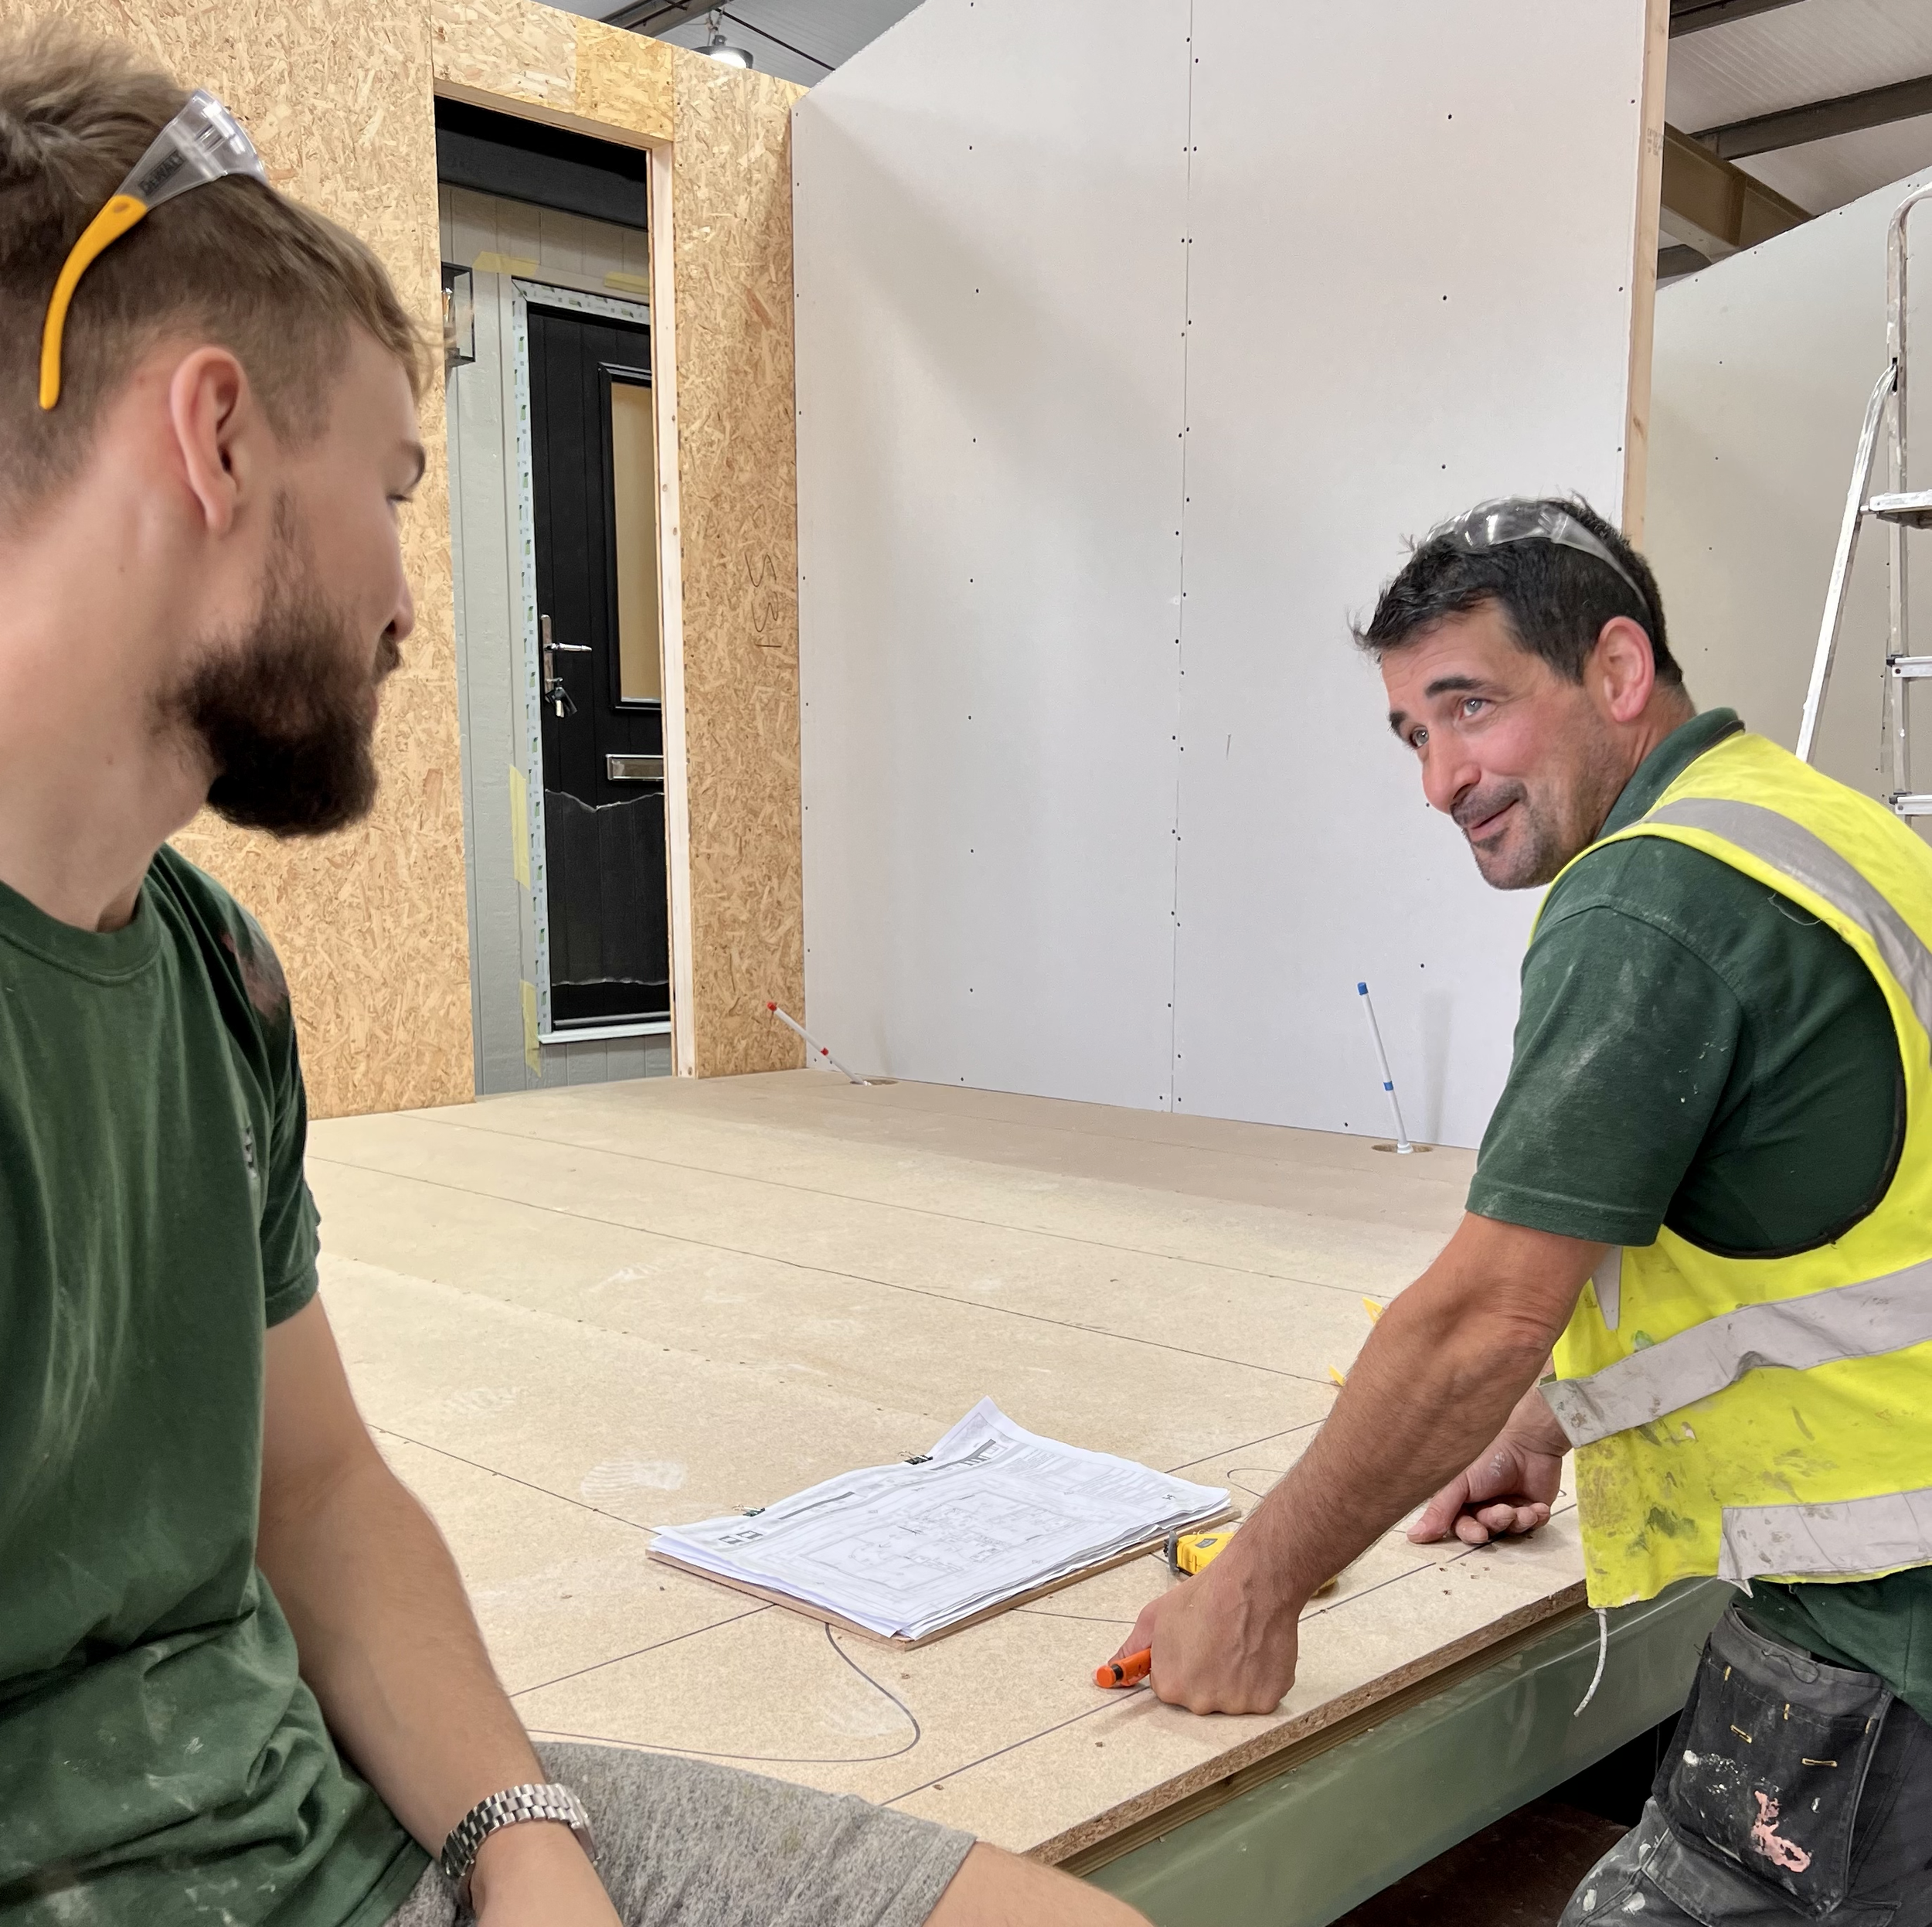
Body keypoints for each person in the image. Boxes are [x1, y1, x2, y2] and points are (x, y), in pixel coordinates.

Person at [0, 27, 1145, 1927]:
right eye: (389, 482)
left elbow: (321, 1499)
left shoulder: (212, 978)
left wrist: (525, 1851)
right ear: (212, 440)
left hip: (326, 1826)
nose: (399, 601)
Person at [1117, 495, 1932, 1919]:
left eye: (1470, 709)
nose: (1441, 780)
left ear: (1617, 674)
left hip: (1893, 1629)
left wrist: (1254, 1592)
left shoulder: (1650, 901)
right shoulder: (1810, 824)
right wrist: (1549, 1419)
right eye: (1412, 737)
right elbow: (1807, 1187)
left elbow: (1480, 1314)